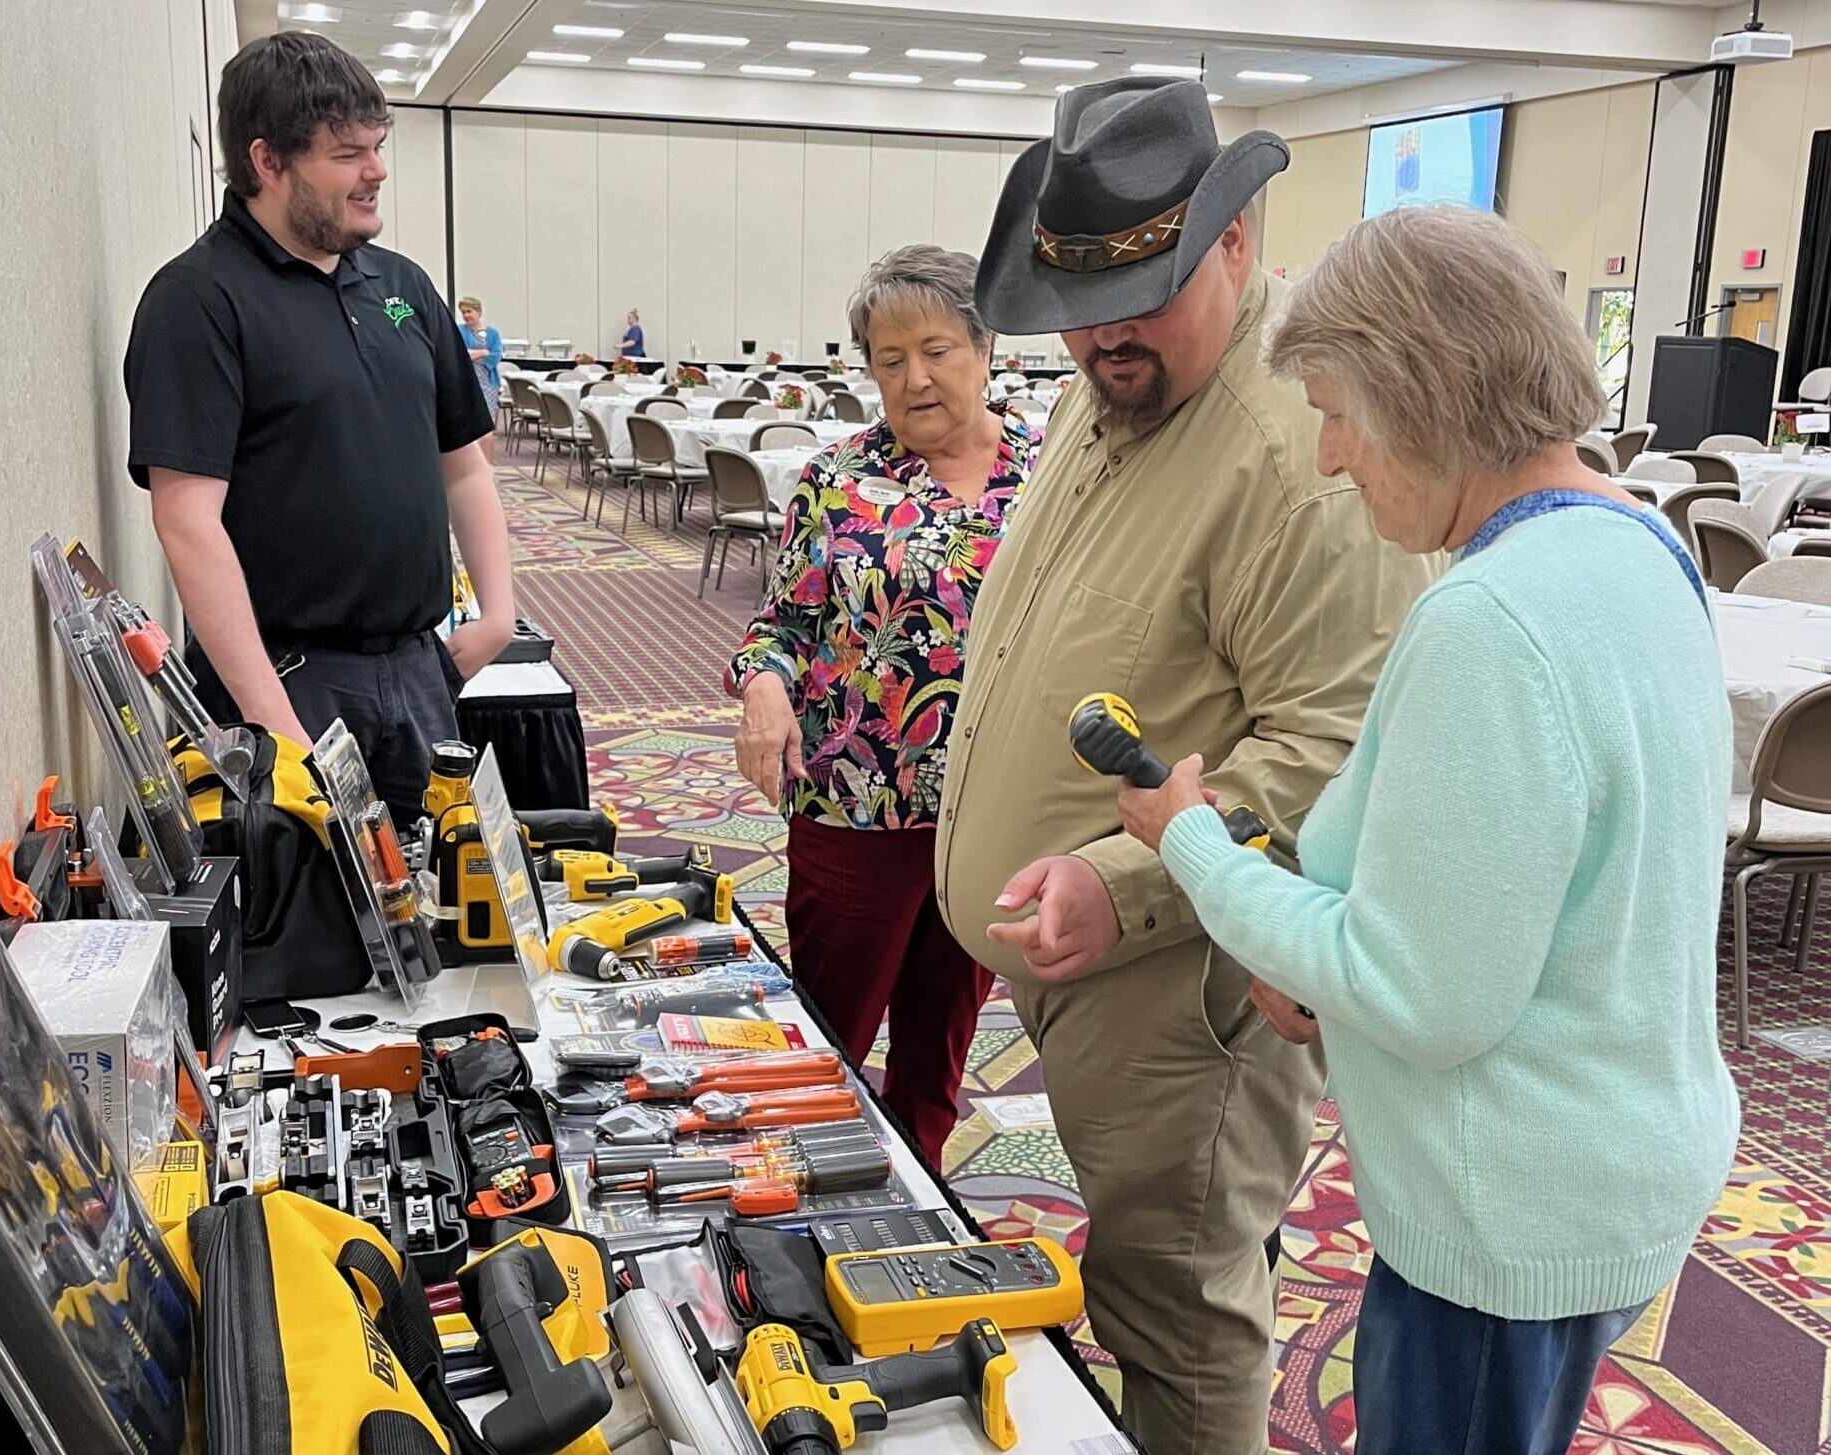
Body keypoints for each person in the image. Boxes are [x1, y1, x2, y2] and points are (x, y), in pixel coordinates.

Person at [1112, 206, 1740, 1455]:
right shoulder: (1640, 544)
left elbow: (1424, 992)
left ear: (1426, 392)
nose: (1333, 459)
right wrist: (1329, 982)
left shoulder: (1489, 619)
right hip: (1610, 1160)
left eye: (1339, 414)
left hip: (1506, 1214)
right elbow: (1541, 901)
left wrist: (1188, 839)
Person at [936, 79, 1440, 1454]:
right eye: (1077, 300)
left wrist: (1117, 882)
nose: (1102, 333)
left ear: (1235, 244)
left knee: (1180, 1309)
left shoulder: (1303, 454)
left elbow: (1338, 751)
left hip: (1187, 977)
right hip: (1083, 972)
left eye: (1142, 290)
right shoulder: (1125, 384)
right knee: (1152, 1283)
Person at [123, 32, 514, 828]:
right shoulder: (198, 300)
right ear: (267, 162)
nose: (375, 171)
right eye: (346, 153)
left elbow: (464, 464)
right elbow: (186, 523)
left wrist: (499, 615)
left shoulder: (401, 284)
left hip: (418, 675)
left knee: (433, 917)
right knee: (313, 936)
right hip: (288, 682)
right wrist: (278, 728)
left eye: (377, 147)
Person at [726, 245, 1039, 1167]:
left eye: (937, 350)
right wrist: (765, 690)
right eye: (889, 359)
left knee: (941, 1045)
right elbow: (777, 626)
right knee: (830, 1037)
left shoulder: (1049, 477)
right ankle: (797, 1206)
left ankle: (916, 1207)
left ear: (986, 349)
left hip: (988, 816)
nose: (914, 378)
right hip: (856, 807)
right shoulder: (836, 482)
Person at [459, 296, 503, 462]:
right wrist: (483, 352)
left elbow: (495, 357)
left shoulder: (493, 333)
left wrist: (474, 355)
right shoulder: (460, 331)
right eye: (463, 312)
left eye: (469, 311)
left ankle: (487, 463)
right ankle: (471, 463)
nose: (466, 315)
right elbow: (461, 354)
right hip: (467, 383)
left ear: (478, 312)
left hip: (488, 384)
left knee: (487, 426)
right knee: (469, 423)